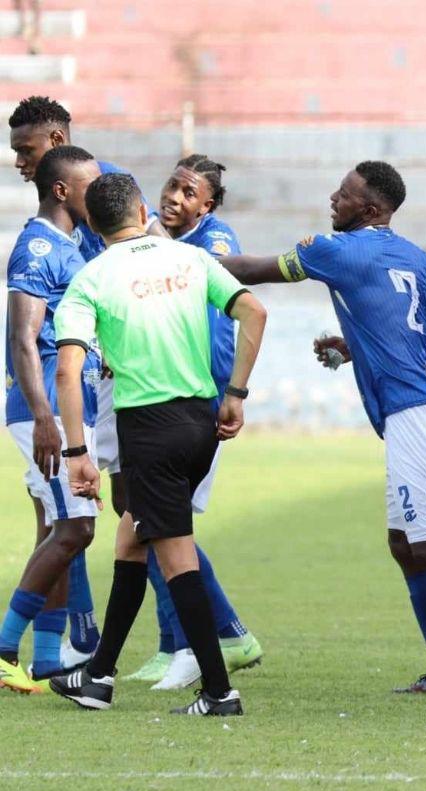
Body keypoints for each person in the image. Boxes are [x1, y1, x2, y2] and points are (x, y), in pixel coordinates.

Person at [221, 161, 426, 700]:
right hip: (424, 404)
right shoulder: (419, 259)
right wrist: (357, 346)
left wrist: (179, 258)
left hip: (415, 412)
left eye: (343, 195)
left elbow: (249, 270)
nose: (332, 199)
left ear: (369, 208)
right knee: (405, 543)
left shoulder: (333, 249)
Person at [48, 172, 268, 716]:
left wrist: (77, 454)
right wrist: (235, 393)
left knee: (176, 559)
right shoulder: (187, 258)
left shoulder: (92, 278)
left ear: (93, 224)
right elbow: (253, 311)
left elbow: (68, 370)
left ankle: (219, 692)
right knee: (131, 541)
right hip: (200, 423)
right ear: (142, 207)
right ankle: (98, 676)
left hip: (150, 430)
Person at [8, 95, 166, 666]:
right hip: (59, 392)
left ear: (54, 141)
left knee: (106, 514)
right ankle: (47, 643)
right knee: (68, 524)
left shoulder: (101, 201)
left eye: (26, 150)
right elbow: (23, 334)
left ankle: (69, 646)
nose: (19, 162)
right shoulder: (48, 240)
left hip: (101, 389)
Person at [121, 154, 264, 690]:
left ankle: (207, 637)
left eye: (189, 193)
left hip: (195, 397)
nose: (175, 198)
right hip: (165, 395)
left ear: (207, 205)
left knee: (159, 521)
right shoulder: (166, 241)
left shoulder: (214, 242)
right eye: (172, 187)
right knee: (147, 518)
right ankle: (181, 639)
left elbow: (213, 300)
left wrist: (232, 392)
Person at [0, 146, 101, 693]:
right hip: (44, 413)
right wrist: (43, 416)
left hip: (62, 411)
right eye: (91, 184)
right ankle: (3, 648)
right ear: (62, 190)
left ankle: (46, 659)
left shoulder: (67, 244)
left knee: (64, 527)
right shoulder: (38, 247)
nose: (100, 192)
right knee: (74, 528)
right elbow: (22, 336)